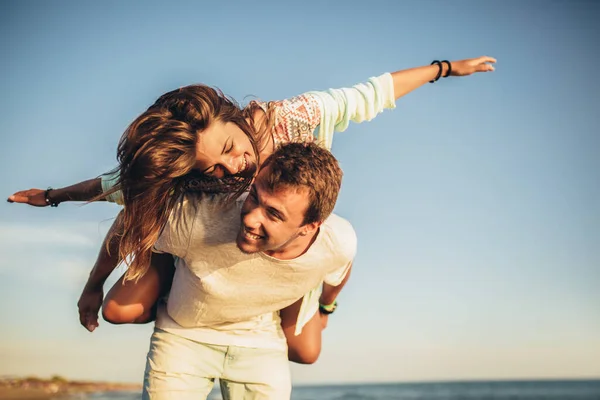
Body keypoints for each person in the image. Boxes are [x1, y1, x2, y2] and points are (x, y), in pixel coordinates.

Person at [6, 56, 496, 359]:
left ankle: (321, 307)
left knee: (304, 352)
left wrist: (446, 69)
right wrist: (53, 198)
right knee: (118, 310)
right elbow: (118, 186)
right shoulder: (187, 169)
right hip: (205, 252)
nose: (234, 167)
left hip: (282, 251)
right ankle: (189, 296)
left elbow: (372, 93)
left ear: (232, 115)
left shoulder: (293, 118)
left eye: (232, 147)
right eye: (214, 168)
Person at [142, 142, 352, 399]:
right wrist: (94, 285)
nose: (251, 218)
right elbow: (129, 226)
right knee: (118, 310)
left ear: (309, 226)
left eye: (273, 214)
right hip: (184, 334)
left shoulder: (337, 242)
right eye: (254, 196)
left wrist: (326, 307)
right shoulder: (200, 216)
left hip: (260, 339)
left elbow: (341, 270)